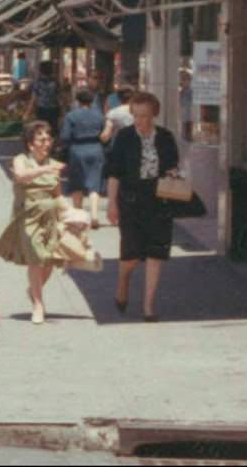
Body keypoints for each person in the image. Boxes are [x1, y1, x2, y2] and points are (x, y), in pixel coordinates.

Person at [0, 122, 93, 325]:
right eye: (41, 139)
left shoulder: (53, 165)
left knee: (49, 260)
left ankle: (34, 290)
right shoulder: (21, 160)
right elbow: (21, 176)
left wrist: (75, 215)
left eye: (49, 138)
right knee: (36, 258)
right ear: (31, 145)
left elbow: (57, 195)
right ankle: (38, 305)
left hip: (50, 217)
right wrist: (47, 168)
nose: (47, 142)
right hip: (28, 216)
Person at [106, 92, 180, 322]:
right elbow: (114, 173)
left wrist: (172, 174)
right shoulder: (125, 137)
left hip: (159, 202)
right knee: (131, 256)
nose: (141, 121)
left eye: (146, 116)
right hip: (130, 202)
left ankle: (149, 306)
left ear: (154, 114)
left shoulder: (166, 137)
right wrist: (111, 204)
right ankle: (123, 281)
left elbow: (172, 165)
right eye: (137, 116)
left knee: (155, 253)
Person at [60, 89, 107, 228]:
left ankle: (79, 216)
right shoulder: (99, 116)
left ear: (77, 101)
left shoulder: (71, 116)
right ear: (92, 101)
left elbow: (65, 136)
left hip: (77, 150)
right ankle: (93, 215)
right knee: (95, 183)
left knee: (77, 183)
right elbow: (104, 134)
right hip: (96, 148)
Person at [25, 61, 63, 132]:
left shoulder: (38, 83)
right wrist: (63, 111)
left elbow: (33, 99)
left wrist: (27, 113)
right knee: (53, 130)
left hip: (41, 110)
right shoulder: (55, 82)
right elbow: (60, 98)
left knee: (42, 129)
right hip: (54, 110)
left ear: (41, 71)